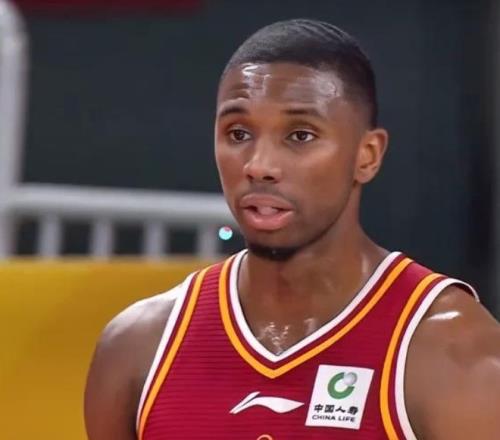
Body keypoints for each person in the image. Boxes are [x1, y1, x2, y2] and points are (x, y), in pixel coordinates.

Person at [84, 19, 500, 439]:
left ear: (367, 155)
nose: (259, 165)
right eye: (238, 133)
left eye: (300, 135)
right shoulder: (138, 348)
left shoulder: (455, 353)